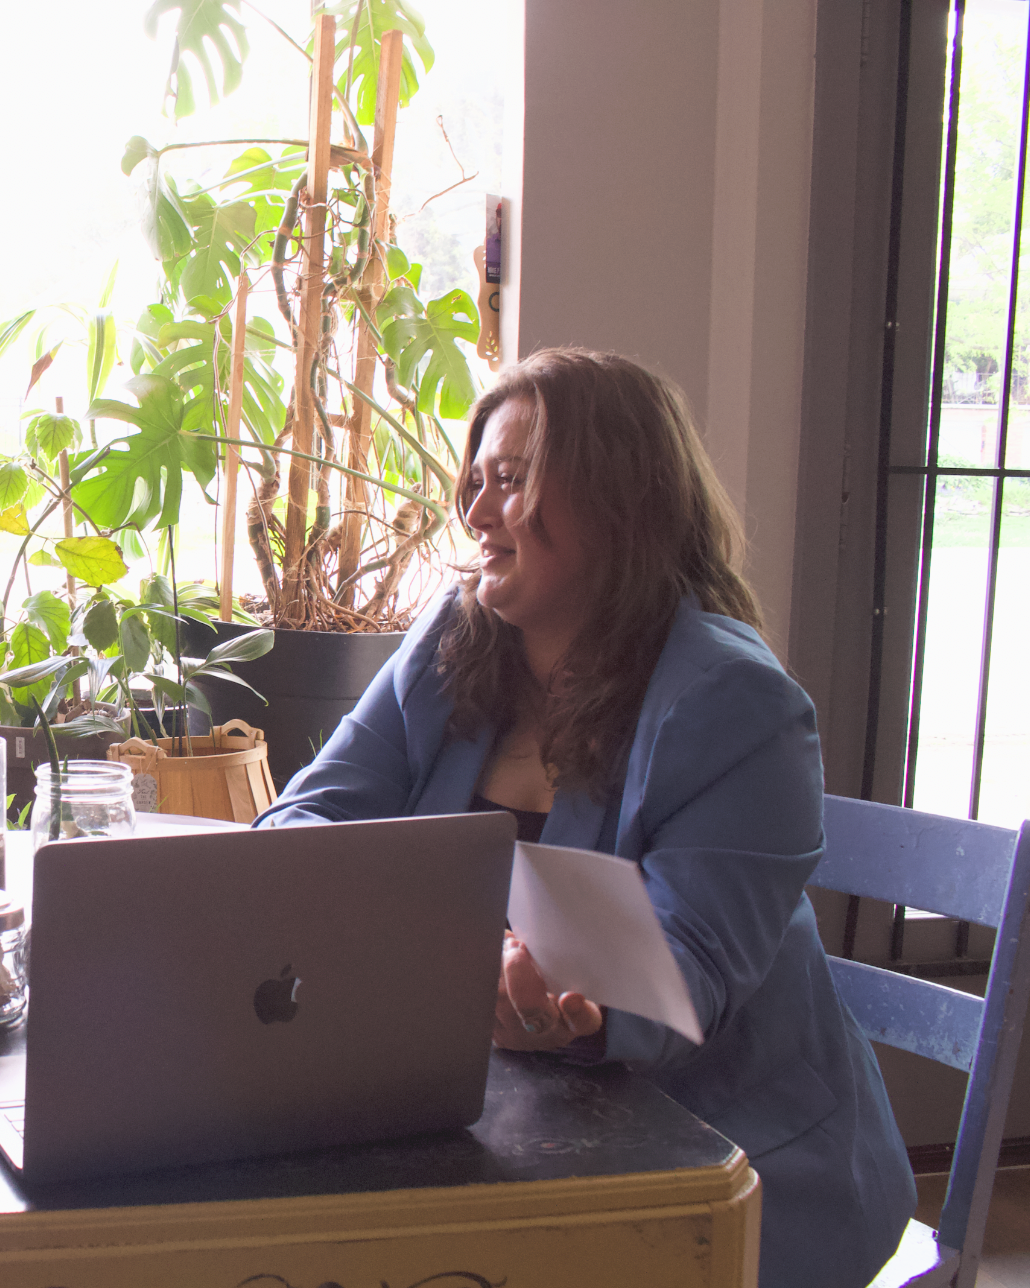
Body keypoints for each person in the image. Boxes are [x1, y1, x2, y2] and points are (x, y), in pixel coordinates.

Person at [259, 348, 913, 1288]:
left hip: (725, 1167)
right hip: (505, 1120)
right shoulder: (451, 639)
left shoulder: (736, 702)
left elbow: (686, 973)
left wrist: (574, 1014)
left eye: (511, 481)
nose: (476, 513)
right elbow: (310, 819)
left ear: (621, 501)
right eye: (476, 481)